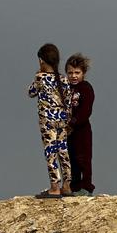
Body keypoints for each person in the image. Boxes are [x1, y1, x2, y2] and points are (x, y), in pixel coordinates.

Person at [28, 43, 72, 198]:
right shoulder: (64, 79)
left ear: (41, 60)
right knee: (63, 151)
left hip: (47, 120)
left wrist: (38, 74)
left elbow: (30, 92)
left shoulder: (40, 78)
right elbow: (68, 101)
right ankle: (67, 185)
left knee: (51, 152)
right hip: (62, 119)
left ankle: (54, 186)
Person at [65, 53, 95, 196]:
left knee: (83, 159)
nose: (73, 76)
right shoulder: (66, 89)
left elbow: (86, 110)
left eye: (77, 73)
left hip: (82, 130)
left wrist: (73, 122)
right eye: (70, 72)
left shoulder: (85, 88)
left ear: (83, 73)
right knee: (71, 159)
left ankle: (87, 187)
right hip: (68, 132)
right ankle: (74, 187)